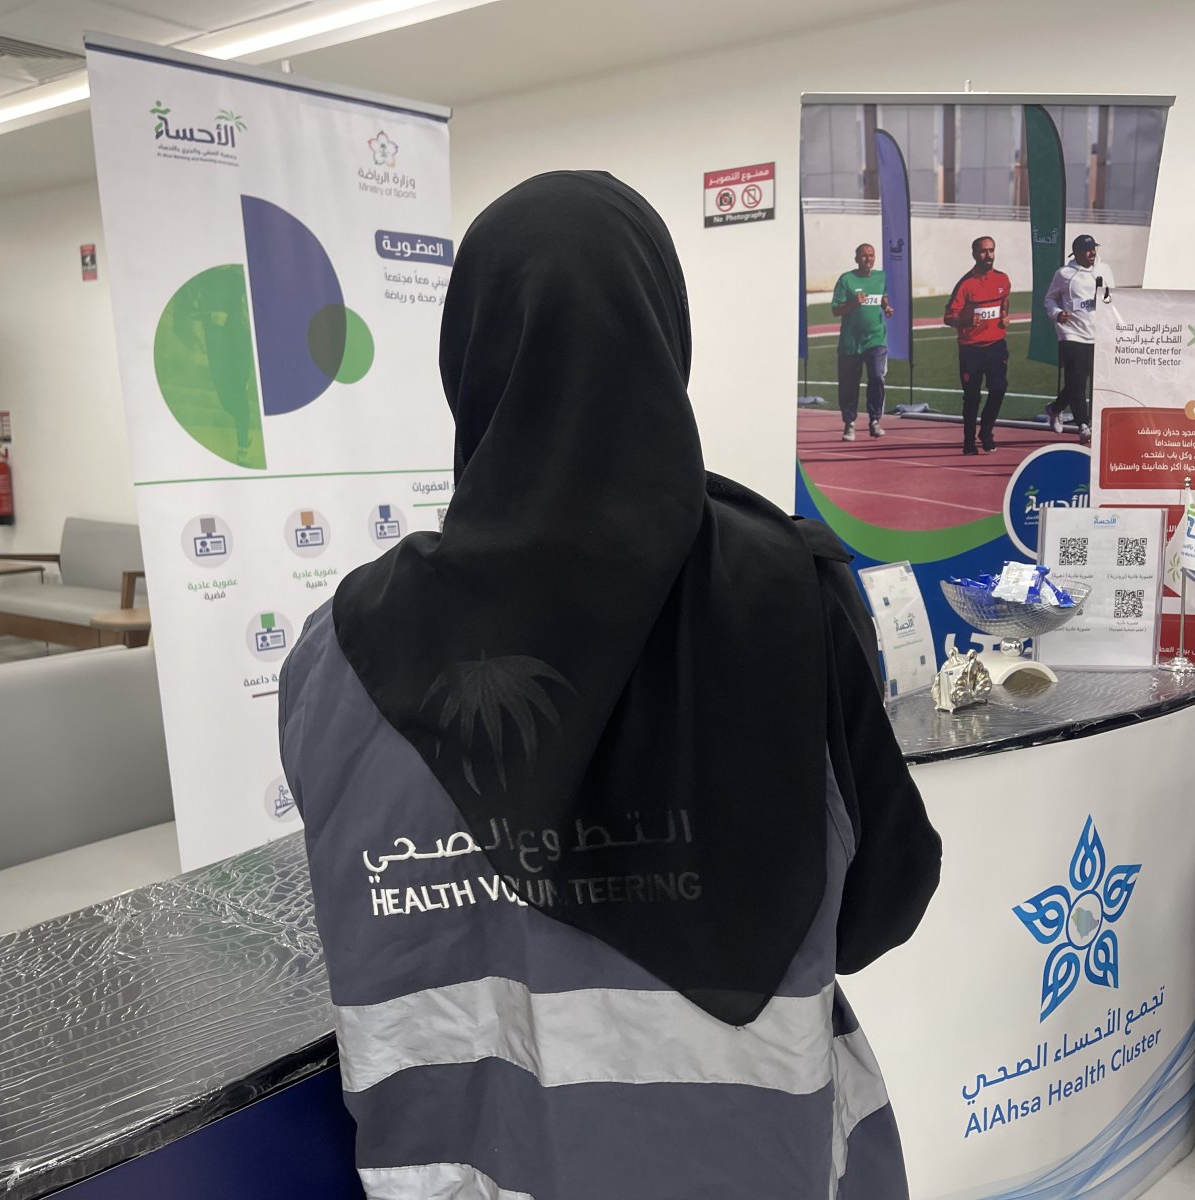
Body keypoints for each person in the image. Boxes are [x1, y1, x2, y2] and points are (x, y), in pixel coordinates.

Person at [279, 172, 942, 1200]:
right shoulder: (795, 596)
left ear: (469, 357)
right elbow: (880, 908)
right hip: (748, 1165)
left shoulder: (336, 652)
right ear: (664, 339)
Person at [943, 236, 1011, 455]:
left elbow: (1004, 302)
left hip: (996, 345)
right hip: (971, 349)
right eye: (983, 251)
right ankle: (969, 441)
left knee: (999, 389)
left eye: (991, 250)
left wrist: (1004, 316)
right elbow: (948, 317)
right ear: (974, 254)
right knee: (972, 397)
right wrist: (965, 321)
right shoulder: (965, 284)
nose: (988, 255)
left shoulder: (1002, 279)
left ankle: (986, 432)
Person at [1042, 234, 1107, 444]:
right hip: (1071, 333)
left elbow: (1113, 297)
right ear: (1076, 253)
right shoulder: (1064, 274)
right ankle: (1083, 425)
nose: (1092, 253)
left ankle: (1055, 408)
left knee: (1084, 381)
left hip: (1097, 333)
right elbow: (1049, 299)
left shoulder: (1104, 270)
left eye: (1094, 248)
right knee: (1077, 382)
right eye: (1087, 249)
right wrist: (1057, 313)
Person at [831, 242, 894, 441]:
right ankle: (849, 423)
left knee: (877, 377)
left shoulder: (881, 277)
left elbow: (883, 296)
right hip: (850, 343)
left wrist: (886, 307)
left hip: (876, 339)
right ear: (857, 259)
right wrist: (853, 303)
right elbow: (835, 310)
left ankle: (875, 420)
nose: (868, 259)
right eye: (864, 255)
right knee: (849, 385)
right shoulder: (846, 280)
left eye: (871, 255)